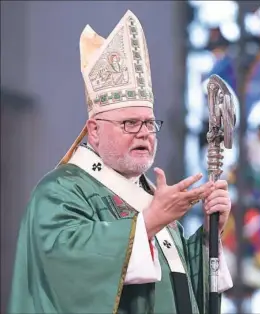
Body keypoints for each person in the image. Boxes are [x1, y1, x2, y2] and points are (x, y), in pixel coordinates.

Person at [8, 10, 233, 314]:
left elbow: (181, 291)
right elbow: (67, 274)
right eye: (129, 123)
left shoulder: (151, 197)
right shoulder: (60, 192)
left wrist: (208, 235)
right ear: (94, 130)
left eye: (149, 123)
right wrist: (151, 221)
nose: (144, 134)